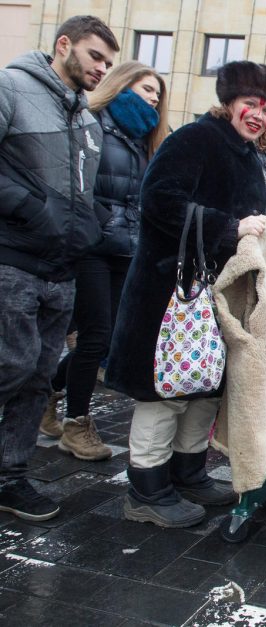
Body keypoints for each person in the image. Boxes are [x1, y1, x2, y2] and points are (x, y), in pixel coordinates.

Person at [106, 61, 266, 528]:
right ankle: (146, 490)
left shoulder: (249, 155)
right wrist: (229, 227)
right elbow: (160, 201)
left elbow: (250, 215)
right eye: (250, 103)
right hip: (170, 290)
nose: (258, 114)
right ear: (229, 103)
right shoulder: (195, 139)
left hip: (216, 293)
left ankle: (187, 473)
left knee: (205, 386)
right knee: (166, 391)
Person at [0, 15, 119, 522]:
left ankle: (9, 475)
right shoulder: (11, 86)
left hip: (62, 270)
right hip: (13, 261)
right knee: (11, 367)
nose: (101, 69)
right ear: (64, 45)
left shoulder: (88, 120)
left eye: (109, 63)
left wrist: (92, 223)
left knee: (38, 377)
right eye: (95, 57)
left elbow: (83, 193)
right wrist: (30, 208)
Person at [42, 61, 169, 462]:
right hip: (92, 246)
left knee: (107, 338)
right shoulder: (92, 122)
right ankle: (76, 423)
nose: (153, 98)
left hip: (127, 248)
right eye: (147, 89)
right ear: (123, 84)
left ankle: (48, 390)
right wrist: (100, 223)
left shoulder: (145, 138)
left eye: (157, 94)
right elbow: (76, 184)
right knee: (95, 334)